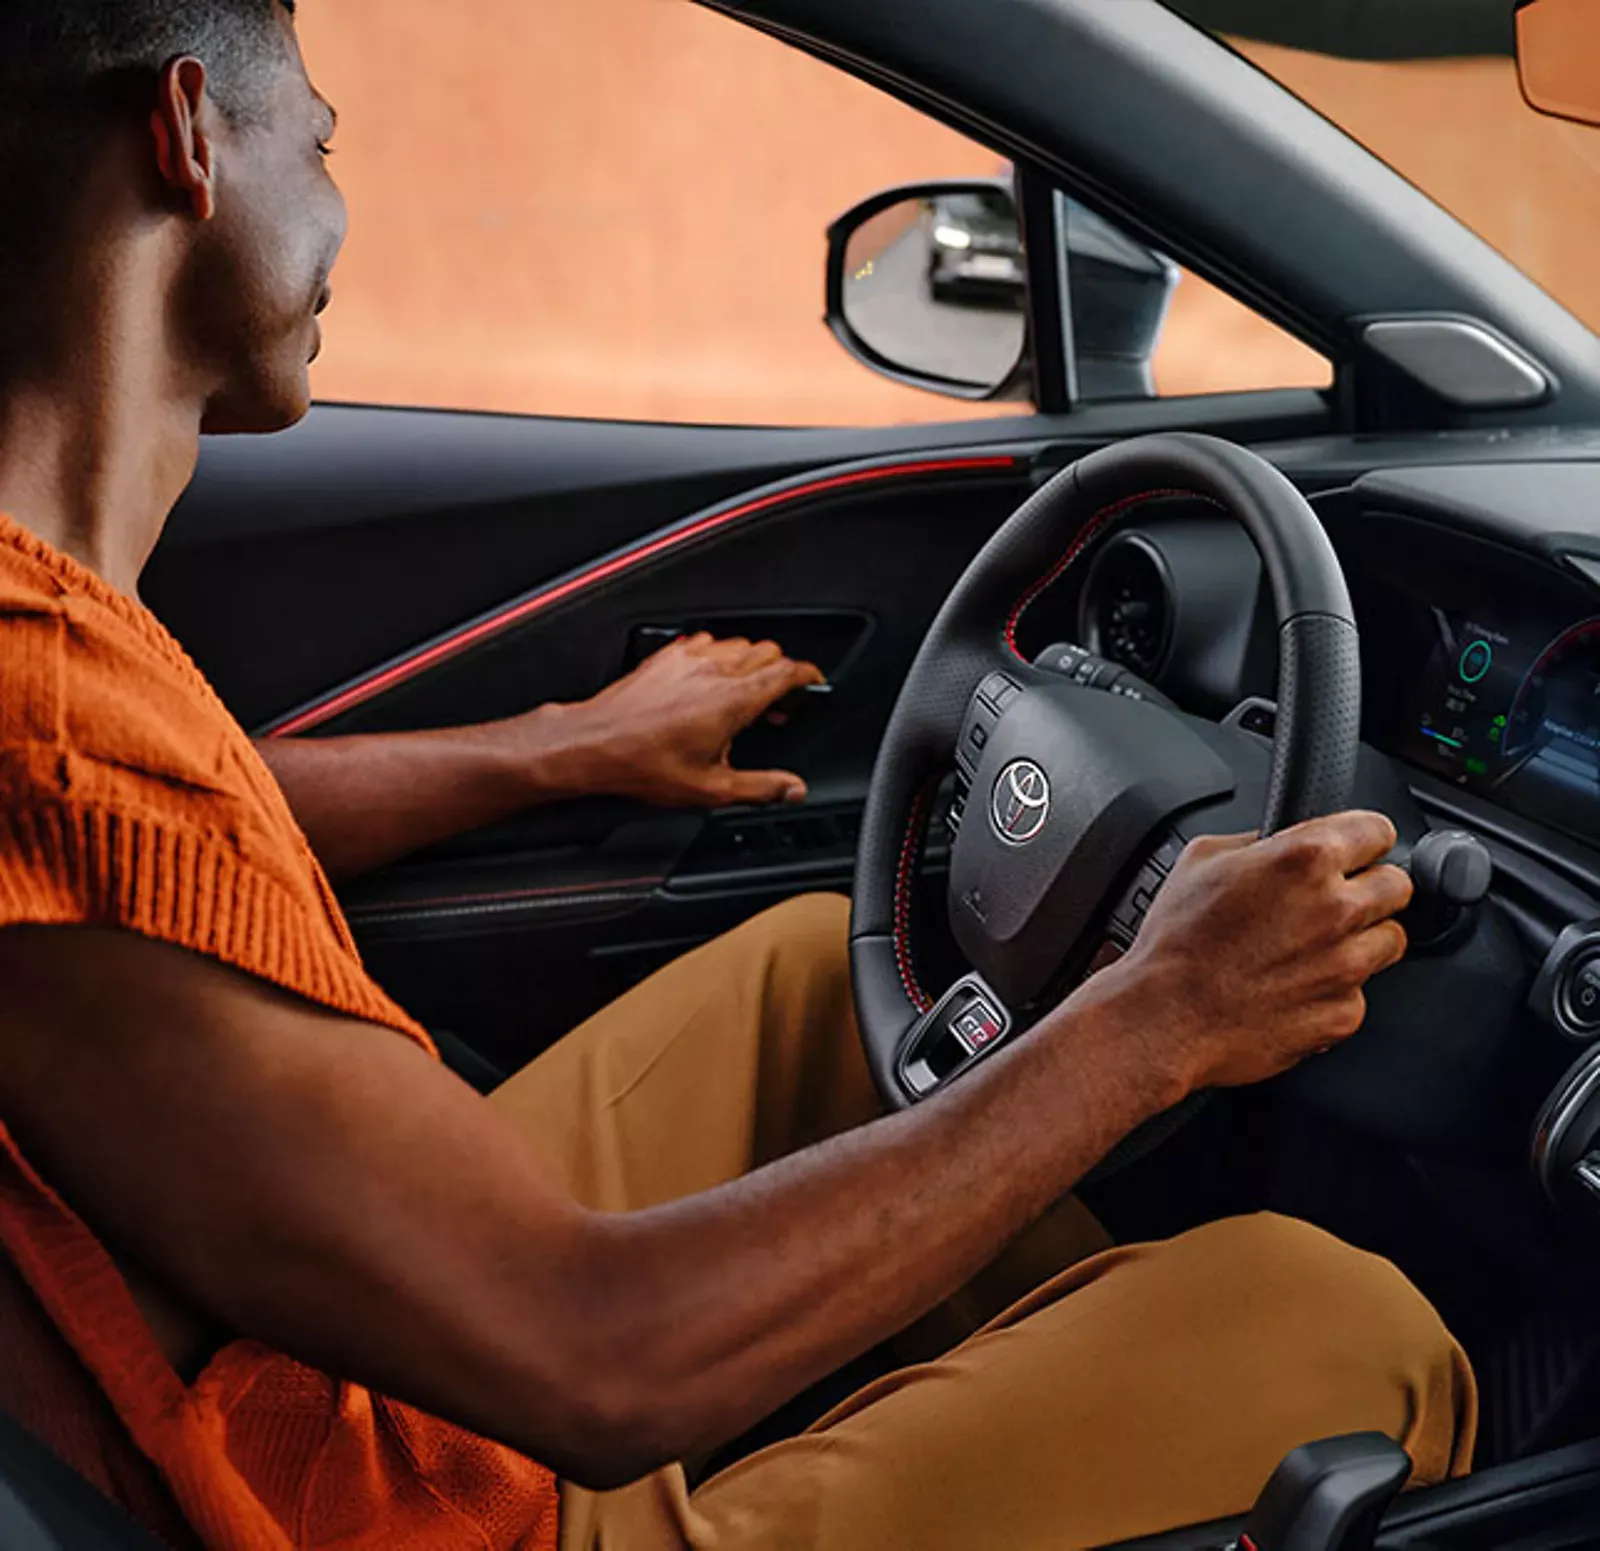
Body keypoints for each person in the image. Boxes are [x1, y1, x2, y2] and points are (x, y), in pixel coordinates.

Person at [0, 4, 1474, 1549]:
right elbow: (594, 1359)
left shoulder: (55, 633)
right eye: (319, 139)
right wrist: (1161, 1015)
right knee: (1338, 1323)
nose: (339, 205)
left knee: (815, 989)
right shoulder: (47, 742)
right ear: (186, 139)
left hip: (348, 1367)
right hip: (430, 1504)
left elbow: (193, 814)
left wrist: (565, 746)